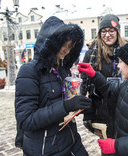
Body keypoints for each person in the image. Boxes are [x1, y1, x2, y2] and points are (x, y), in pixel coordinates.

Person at [14, 16, 92, 156]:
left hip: (70, 139)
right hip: (45, 147)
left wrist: (79, 100)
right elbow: (26, 120)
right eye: (63, 44)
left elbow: (64, 101)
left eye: (70, 46)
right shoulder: (29, 71)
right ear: (51, 42)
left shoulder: (63, 70)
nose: (66, 50)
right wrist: (66, 106)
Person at [80, 14, 127, 141]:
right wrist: (88, 117)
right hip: (101, 111)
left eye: (111, 31)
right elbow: (84, 87)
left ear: (117, 32)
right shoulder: (91, 54)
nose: (107, 35)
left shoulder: (126, 51)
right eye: (104, 31)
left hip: (123, 109)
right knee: (107, 149)